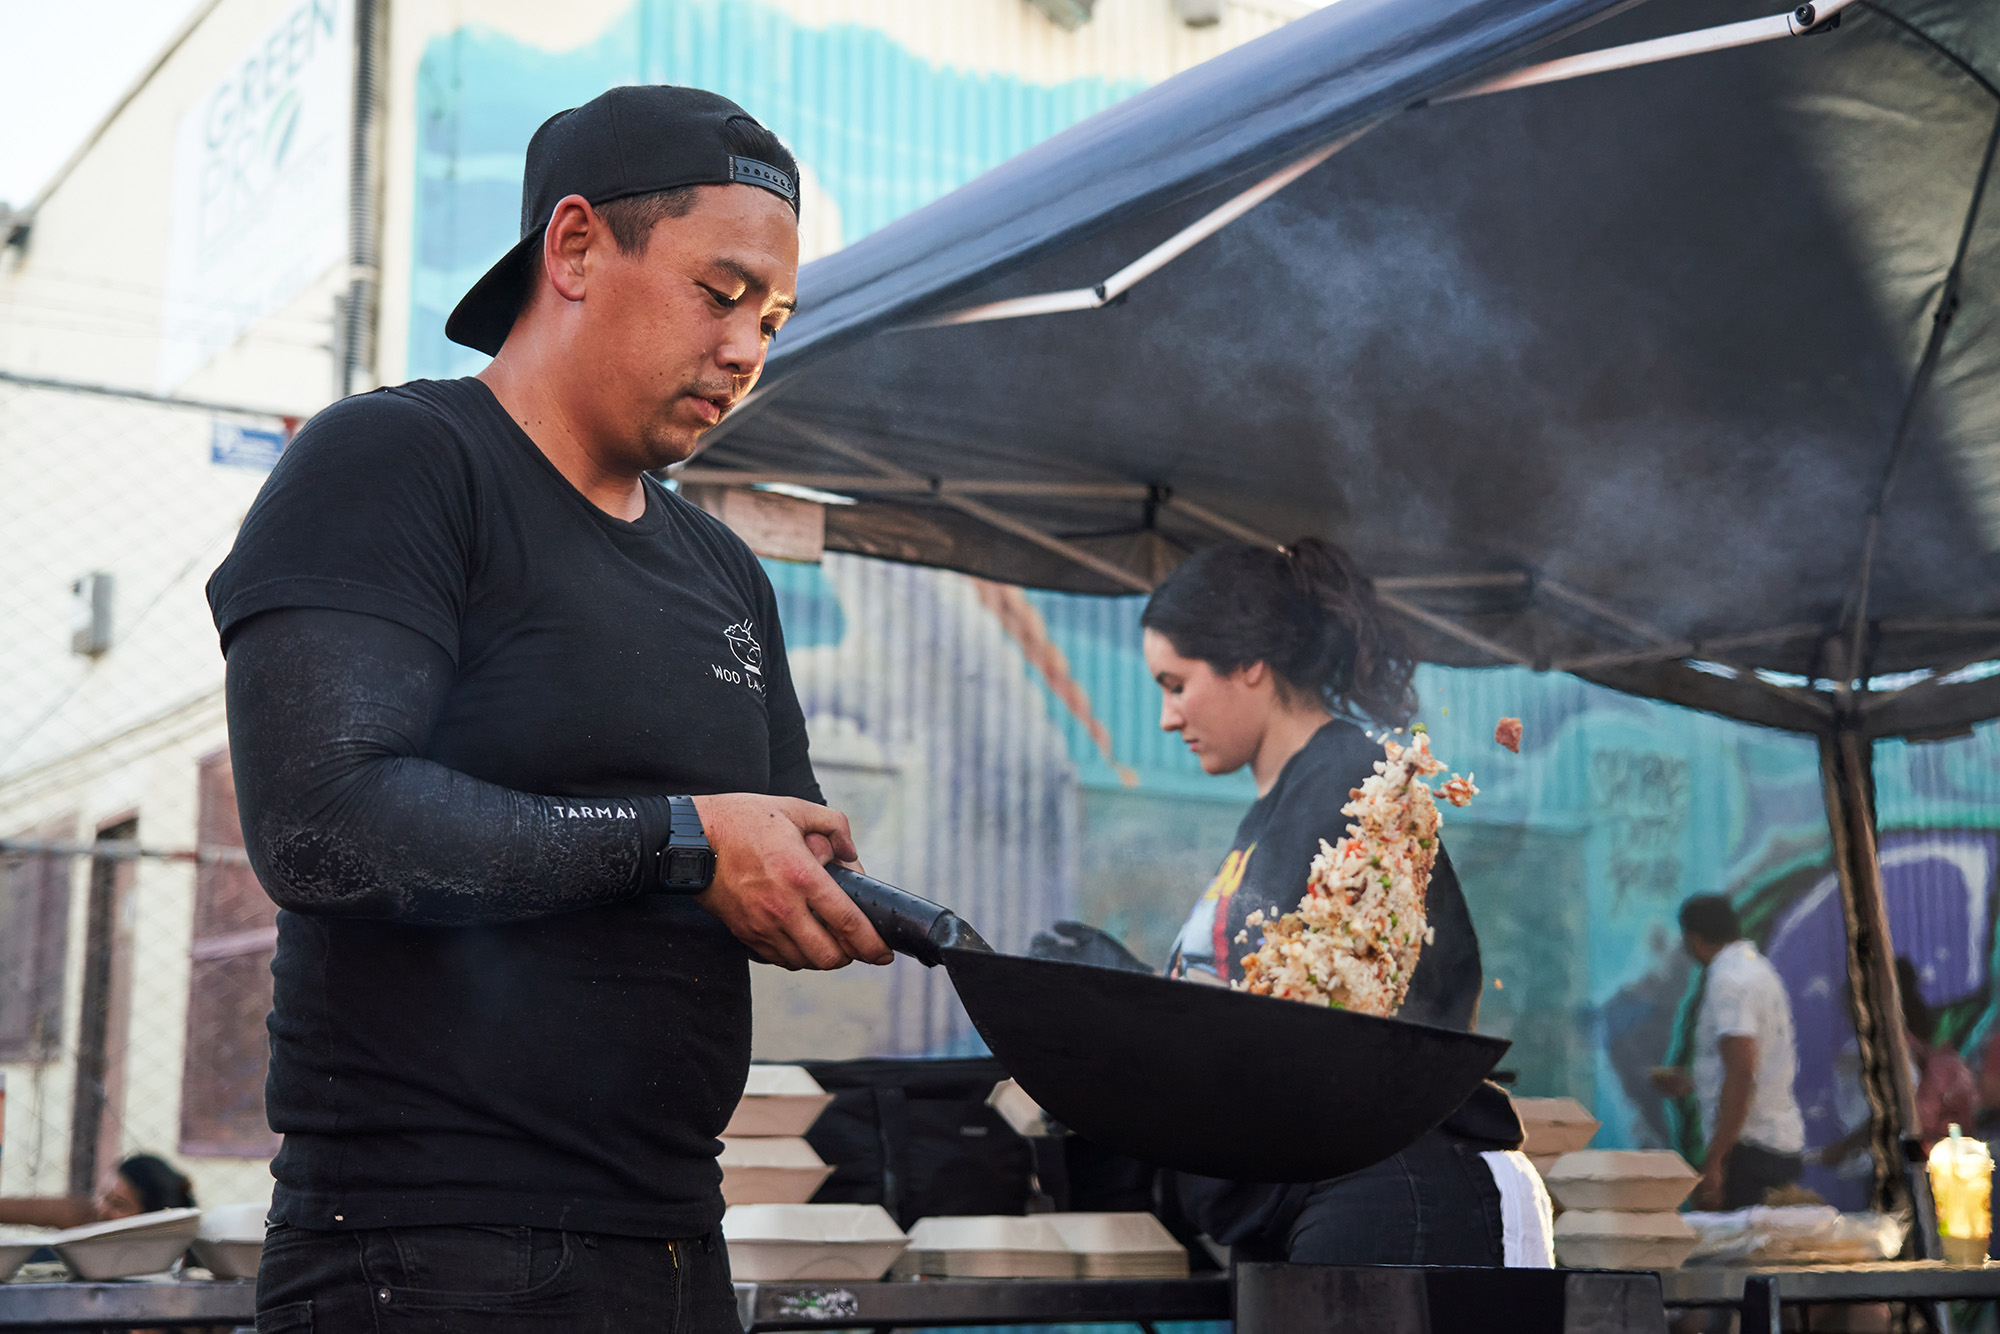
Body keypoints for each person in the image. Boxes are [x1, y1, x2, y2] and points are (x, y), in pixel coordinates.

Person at [208, 86, 889, 1332]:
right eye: (720, 292)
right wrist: (684, 839)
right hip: (429, 1256)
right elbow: (323, 820)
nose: (748, 349)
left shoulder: (723, 568)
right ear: (574, 247)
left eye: (775, 318)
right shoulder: (400, 461)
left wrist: (843, 894)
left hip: (678, 1240)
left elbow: (757, 838)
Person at [1141, 538, 1548, 1267]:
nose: (1169, 717)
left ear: (1249, 665)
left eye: (1176, 683)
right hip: (1309, 1199)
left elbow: (1317, 1017)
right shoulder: (1278, 809)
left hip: (1384, 1191)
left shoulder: (1355, 784)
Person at [1650, 896, 1805, 1210]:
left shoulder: (1728, 980)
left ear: (1693, 939)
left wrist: (1716, 1160)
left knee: (1742, 1256)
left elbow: (1742, 1071)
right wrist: (1697, 1082)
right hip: (1775, 1141)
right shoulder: (1757, 967)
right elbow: (1748, 1064)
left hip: (1749, 1149)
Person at [0, 1153, 195, 1229]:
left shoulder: (174, 1263)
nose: (102, 1209)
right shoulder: (92, 1218)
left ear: (154, 1219)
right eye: (102, 1196)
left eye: (118, 1205)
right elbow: (43, 1211)